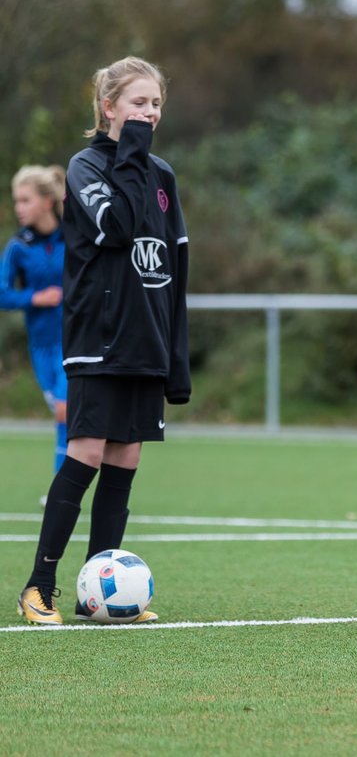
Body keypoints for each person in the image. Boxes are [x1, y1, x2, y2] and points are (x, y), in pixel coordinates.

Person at [17, 56, 191, 626]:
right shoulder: (85, 166)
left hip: (147, 341)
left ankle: (98, 591)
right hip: (98, 337)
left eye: (156, 104)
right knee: (87, 451)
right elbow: (115, 227)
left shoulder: (163, 176)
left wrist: (176, 357)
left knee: (125, 456)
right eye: (138, 103)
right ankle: (38, 587)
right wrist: (133, 150)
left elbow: (175, 270)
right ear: (108, 108)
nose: (149, 113)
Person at [2, 166, 69, 492]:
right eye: (17, 201)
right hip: (41, 345)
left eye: (25, 200)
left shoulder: (74, 236)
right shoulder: (18, 247)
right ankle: (69, 483)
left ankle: (62, 488)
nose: (19, 207)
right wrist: (34, 297)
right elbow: (2, 293)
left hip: (75, 340)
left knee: (64, 411)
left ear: (46, 202)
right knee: (64, 418)